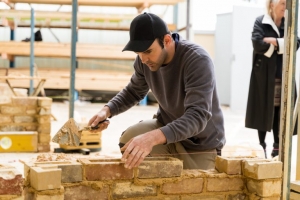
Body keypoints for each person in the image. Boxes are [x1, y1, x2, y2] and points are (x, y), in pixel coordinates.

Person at [88, 12, 225, 170]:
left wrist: (152, 138)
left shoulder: (197, 60)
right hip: (167, 128)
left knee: (195, 188)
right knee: (130, 141)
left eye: (147, 51)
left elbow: (197, 116)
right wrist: (106, 111)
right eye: (138, 53)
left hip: (201, 143)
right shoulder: (144, 61)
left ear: (167, 40)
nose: (143, 59)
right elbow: (134, 91)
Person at [245, 0, 299, 158]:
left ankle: (277, 146)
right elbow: (257, 43)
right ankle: (261, 145)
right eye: (282, 3)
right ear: (272, 5)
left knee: (280, 110)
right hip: (263, 76)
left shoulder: (288, 23)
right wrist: (281, 46)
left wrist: (273, 42)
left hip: (283, 76)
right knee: (262, 110)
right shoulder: (260, 21)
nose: (285, 7)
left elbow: (295, 43)